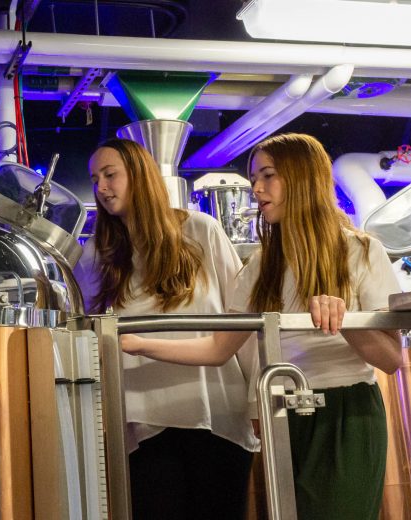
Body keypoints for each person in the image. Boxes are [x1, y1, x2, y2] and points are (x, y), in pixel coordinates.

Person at [122, 132, 402, 520]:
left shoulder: (360, 250)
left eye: (268, 176)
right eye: (255, 178)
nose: (256, 188)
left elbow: (391, 359)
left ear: (302, 178)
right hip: (281, 414)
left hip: (345, 413)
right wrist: (136, 343)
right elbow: (218, 349)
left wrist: (346, 320)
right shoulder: (259, 267)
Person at [73, 138, 260, 520]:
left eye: (110, 175)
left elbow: (241, 319)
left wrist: (259, 399)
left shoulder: (201, 230)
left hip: (216, 415)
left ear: (140, 176)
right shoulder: (98, 254)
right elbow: (84, 333)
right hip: (144, 423)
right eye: (95, 180)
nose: (101, 189)